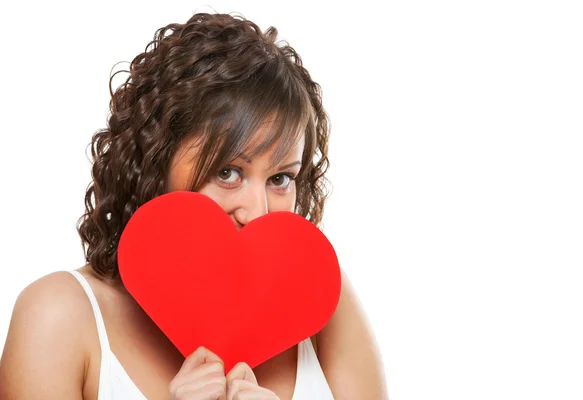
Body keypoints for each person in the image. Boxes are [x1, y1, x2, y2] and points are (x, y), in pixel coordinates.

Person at [0, 12, 388, 400]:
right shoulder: (58, 317)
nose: (257, 212)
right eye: (227, 171)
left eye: (280, 178)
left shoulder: (322, 305)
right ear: (155, 161)